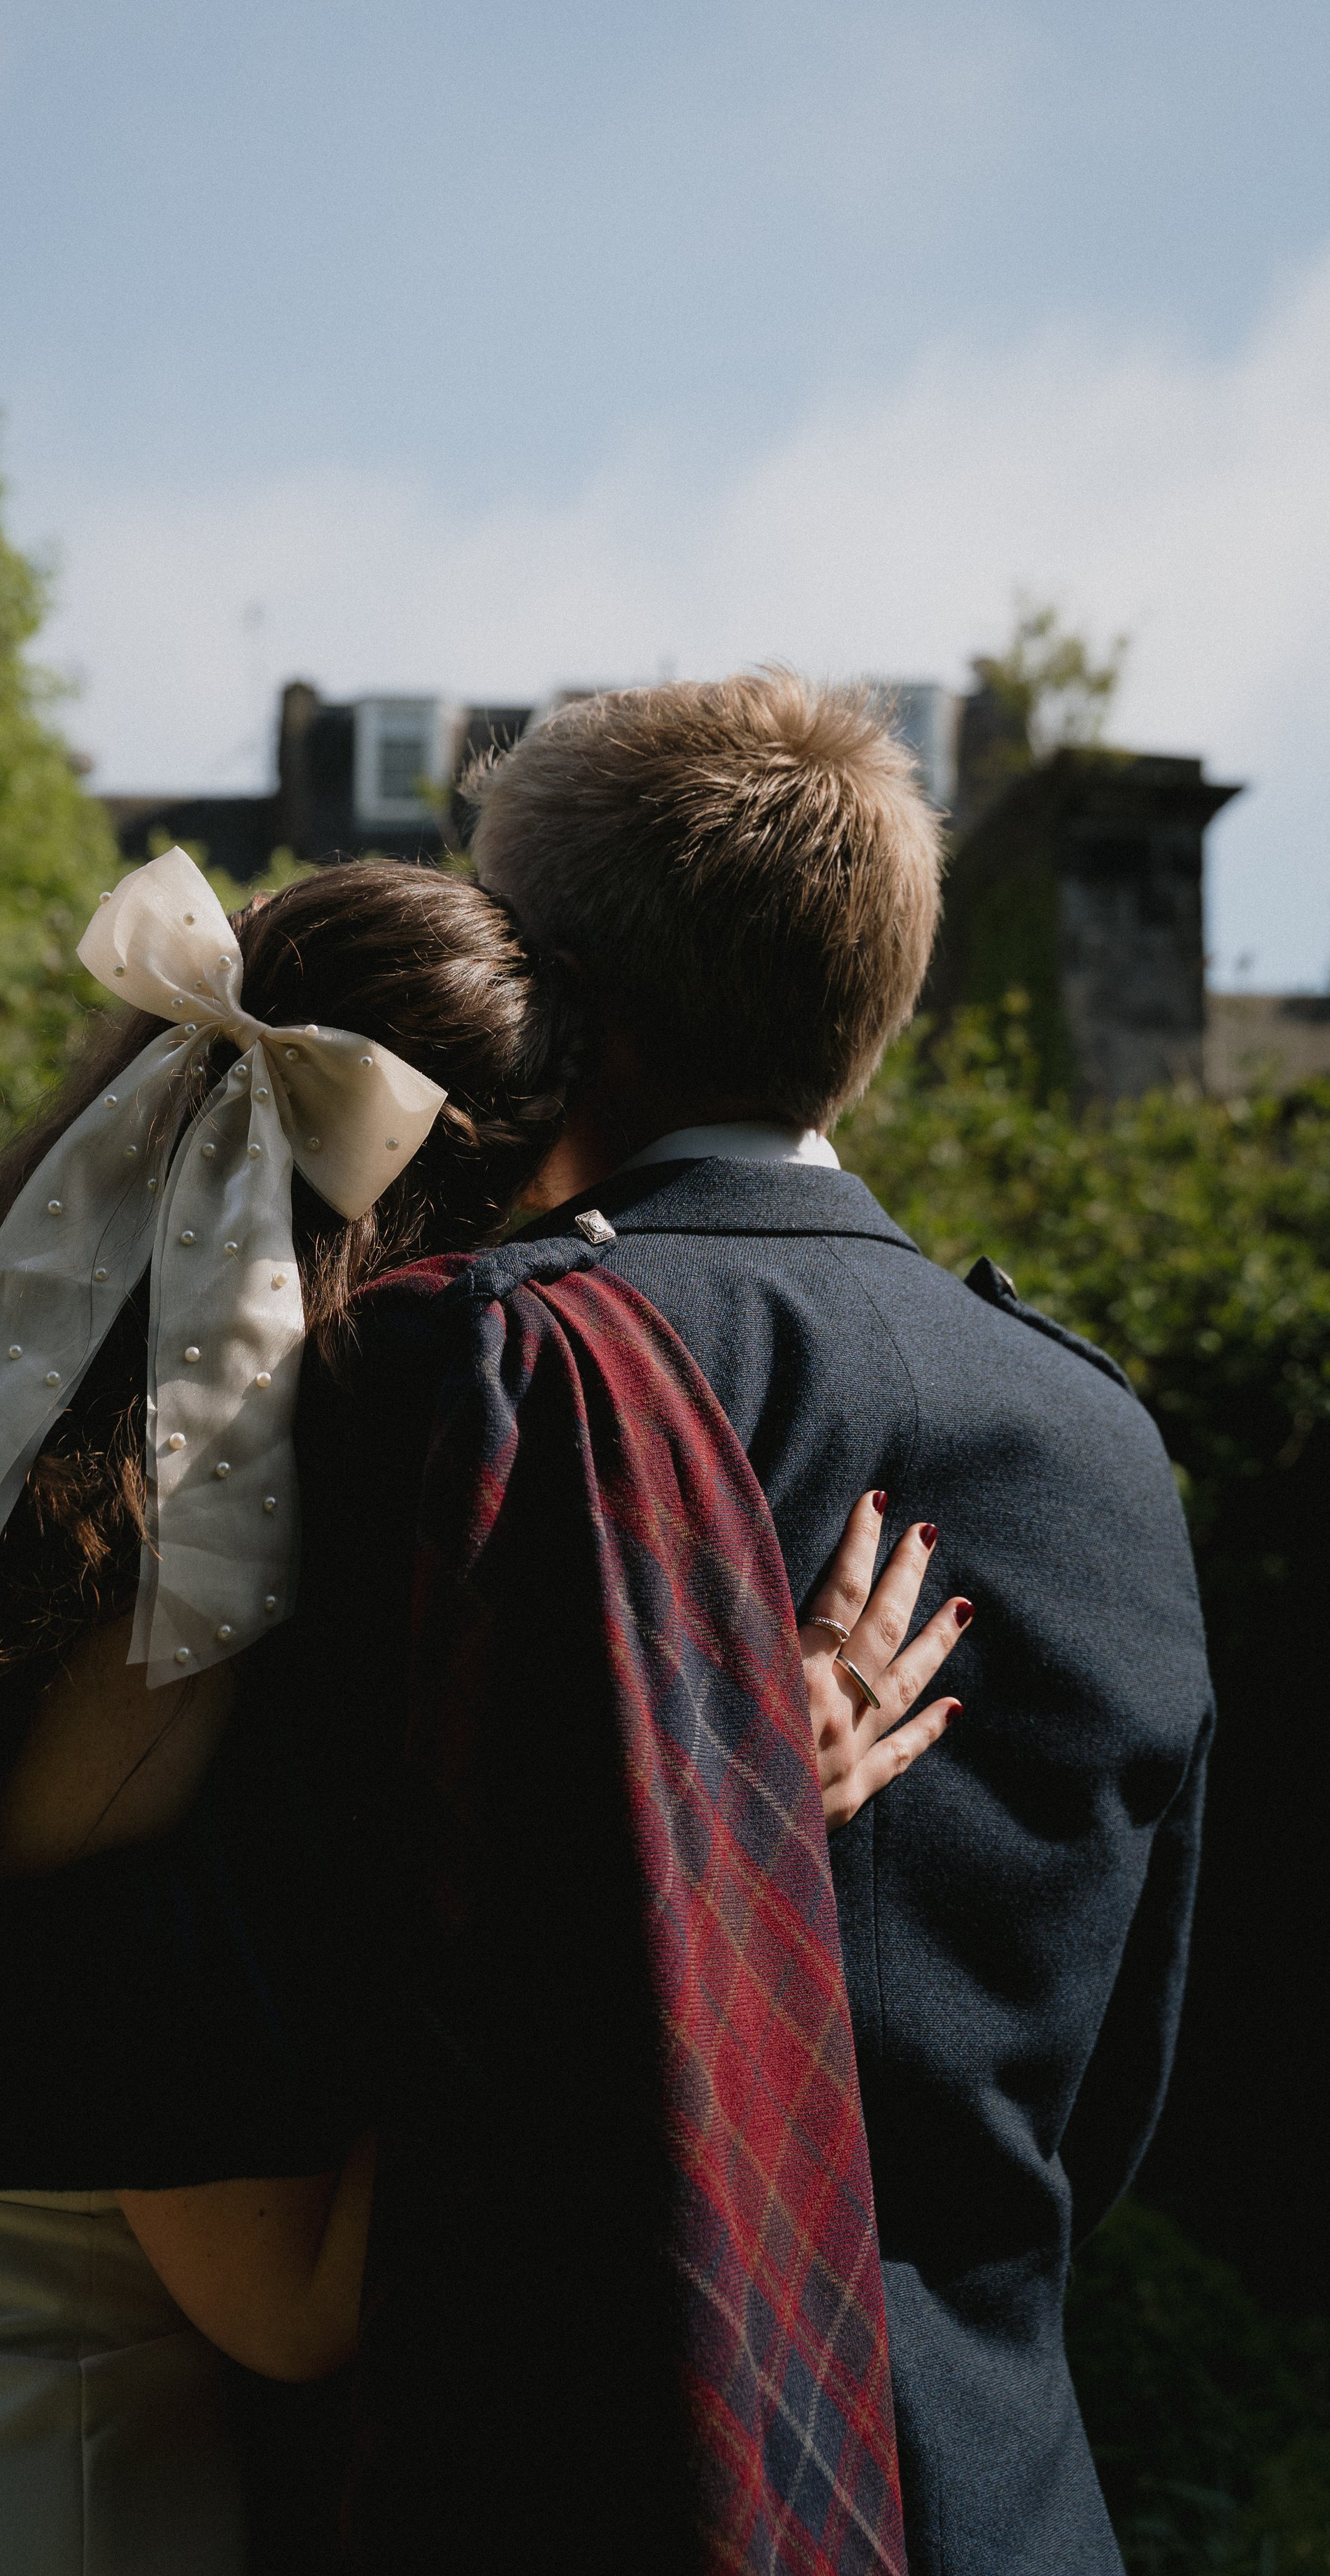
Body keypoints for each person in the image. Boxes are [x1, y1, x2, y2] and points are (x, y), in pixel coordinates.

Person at [0, 846, 960, 2576]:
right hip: (20, 2501)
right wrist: (721, 1810)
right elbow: (289, 2304)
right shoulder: (166, 1645)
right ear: (436, 1233)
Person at [463, 673, 1215, 2573]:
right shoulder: (1103, 1436)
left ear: (550, 996)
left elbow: (363, 2002)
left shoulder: (501, 1359)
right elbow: (1107, 2098)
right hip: (1008, 2495)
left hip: (590, 2483)